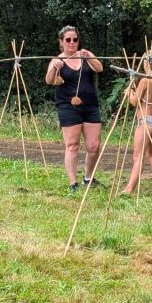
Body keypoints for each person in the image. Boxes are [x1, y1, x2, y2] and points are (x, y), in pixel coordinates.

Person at [45, 25, 103, 192]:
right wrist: (55, 66)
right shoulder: (57, 60)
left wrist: (89, 56)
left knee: (94, 146)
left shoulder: (85, 55)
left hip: (90, 106)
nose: (72, 42)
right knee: (72, 144)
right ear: (61, 42)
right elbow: (49, 80)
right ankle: (73, 183)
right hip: (67, 107)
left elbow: (99, 68)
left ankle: (88, 178)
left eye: (75, 39)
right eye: (68, 39)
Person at [122, 50, 152, 194]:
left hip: (145, 121)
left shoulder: (145, 80)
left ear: (147, 63)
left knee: (138, 157)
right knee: (151, 153)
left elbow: (135, 102)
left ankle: (129, 189)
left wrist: (129, 93)